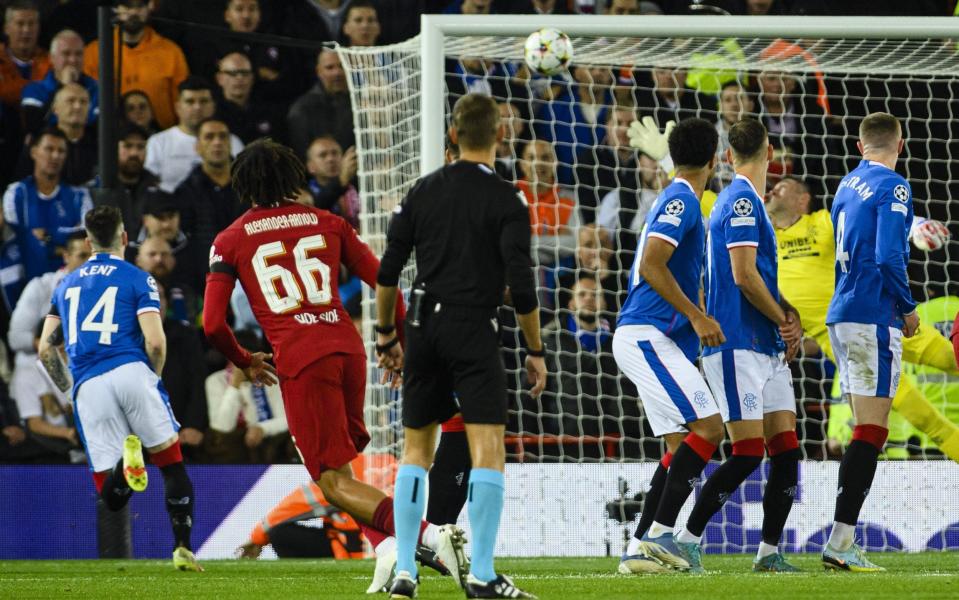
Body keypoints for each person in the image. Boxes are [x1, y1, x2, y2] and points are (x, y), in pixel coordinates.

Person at [202, 139, 463, 593]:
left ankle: (429, 536)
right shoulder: (330, 222)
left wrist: (245, 360)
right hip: (348, 350)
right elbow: (389, 285)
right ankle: (385, 553)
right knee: (339, 476)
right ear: (292, 177)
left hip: (302, 359)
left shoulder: (230, 240)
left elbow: (211, 324)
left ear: (243, 186)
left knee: (331, 480)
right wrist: (397, 345)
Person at [374, 93, 545, 599]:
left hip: (423, 327)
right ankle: (482, 575)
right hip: (474, 326)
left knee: (416, 450)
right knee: (487, 448)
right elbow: (524, 284)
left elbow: (387, 274)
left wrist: (387, 337)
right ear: (499, 136)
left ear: (452, 135)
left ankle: (405, 570)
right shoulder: (508, 199)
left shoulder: (422, 191)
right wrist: (535, 351)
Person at [666, 119, 803, 574]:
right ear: (770, 153)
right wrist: (782, 316)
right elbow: (743, 276)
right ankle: (685, 539)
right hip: (737, 344)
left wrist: (785, 315)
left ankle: (769, 552)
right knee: (747, 451)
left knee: (785, 448)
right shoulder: (741, 198)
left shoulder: (746, 201)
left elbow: (756, 277)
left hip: (765, 346)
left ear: (728, 156)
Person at [38, 205, 202, 571]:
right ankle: (182, 548)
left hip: (88, 385)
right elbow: (156, 343)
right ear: (125, 238)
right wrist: (153, 378)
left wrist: (71, 390)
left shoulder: (65, 285)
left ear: (87, 241)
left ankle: (123, 469)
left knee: (111, 497)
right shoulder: (137, 278)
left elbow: (45, 348)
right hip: (131, 371)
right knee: (172, 465)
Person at [767, 175, 959, 461]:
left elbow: (874, 220)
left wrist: (915, 225)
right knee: (917, 412)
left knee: (952, 358)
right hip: (844, 341)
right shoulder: (764, 239)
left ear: (802, 200)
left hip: (880, 315)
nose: (772, 191)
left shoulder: (822, 222)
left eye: (782, 188)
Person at [612, 117, 730, 575]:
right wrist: (698, 315)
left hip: (654, 337)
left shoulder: (678, 195)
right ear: (715, 158)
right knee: (710, 428)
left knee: (680, 443)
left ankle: (640, 546)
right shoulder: (681, 199)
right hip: (647, 334)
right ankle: (661, 537)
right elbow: (652, 263)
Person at [822, 112, 919, 571]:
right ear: (900, 144)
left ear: (861, 147)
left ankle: (843, 540)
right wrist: (908, 306)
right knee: (873, 431)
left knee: (865, 428)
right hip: (873, 314)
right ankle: (841, 542)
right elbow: (887, 255)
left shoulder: (846, 185)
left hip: (840, 313)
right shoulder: (894, 186)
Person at [7, 232, 88, 459]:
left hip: (81, 374)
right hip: (39, 376)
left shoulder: (104, 290)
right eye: (82, 256)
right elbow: (16, 337)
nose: (89, 263)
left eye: (94, 256)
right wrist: (53, 347)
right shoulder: (41, 287)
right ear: (66, 256)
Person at [3, 127, 92, 285]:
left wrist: (48, 235)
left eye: (61, 151)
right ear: (34, 152)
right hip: (26, 278)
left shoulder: (79, 196)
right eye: (49, 149)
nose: (55, 156)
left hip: (72, 279)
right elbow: (17, 240)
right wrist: (60, 244)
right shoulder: (16, 193)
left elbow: (85, 238)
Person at [83, 0, 189, 130]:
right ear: (116, 9)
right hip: (109, 137)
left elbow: (182, 102)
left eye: (139, 7)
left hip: (161, 136)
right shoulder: (95, 52)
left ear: (149, 7)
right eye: (127, 7)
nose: (133, 12)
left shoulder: (171, 52)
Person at [175, 118, 244, 293]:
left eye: (223, 137)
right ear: (197, 146)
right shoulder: (185, 191)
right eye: (209, 137)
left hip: (248, 274)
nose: (217, 142)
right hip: (206, 279)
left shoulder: (250, 186)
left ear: (230, 143)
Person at [145, 76, 244, 193]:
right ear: (178, 107)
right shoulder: (158, 142)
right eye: (190, 101)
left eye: (203, 101)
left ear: (213, 106)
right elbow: (148, 185)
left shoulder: (232, 141)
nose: (197, 107)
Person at [20, 29, 98, 134]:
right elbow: (34, 128)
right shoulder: (34, 91)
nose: (73, 60)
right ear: (52, 58)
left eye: (78, 54)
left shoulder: (98, 90)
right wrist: (63, 87)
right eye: (66, 54)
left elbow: (99, 131)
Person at [286, 49, 355, 161]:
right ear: (319, 71)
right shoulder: (302, 109)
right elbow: (301, 153)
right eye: (329, 67)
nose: (337, 73)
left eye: (342, 66)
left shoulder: (362, 103)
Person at [214, 52, 284, 144]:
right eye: (232, 73)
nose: (240, 78)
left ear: (252, 78)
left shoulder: (269, 110)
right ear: (220, 78)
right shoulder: (212, 111)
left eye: (245, 73)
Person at [305, 135, 359, 229]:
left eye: (335, 153)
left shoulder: (356, 185)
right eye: (323, 155)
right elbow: (316, 211)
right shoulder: (303, 193)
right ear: (311, 166)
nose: (330, 159)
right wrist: (341, 181)